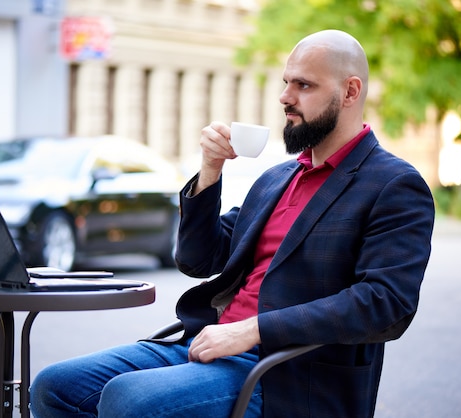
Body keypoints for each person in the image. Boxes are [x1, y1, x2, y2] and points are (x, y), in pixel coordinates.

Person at [30, 29, 435, 418]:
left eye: (304, 86)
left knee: (127, 398)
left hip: (288, 373)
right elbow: (198, 260)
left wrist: (253, 330)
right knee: (55, 386)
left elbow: (387, 304)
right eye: (285, 82)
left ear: (350, 92)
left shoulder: (393, 185)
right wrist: (209, 172)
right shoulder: (278, 179)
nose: (285, 97)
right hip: (207, 342)